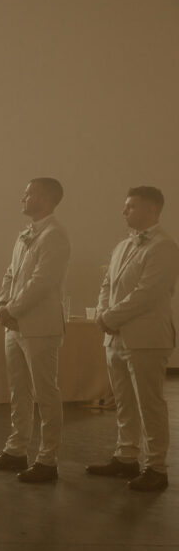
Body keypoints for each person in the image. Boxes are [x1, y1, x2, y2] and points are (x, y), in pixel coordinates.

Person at [88, 186, 179, 492]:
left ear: (152, 210)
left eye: (131, 207)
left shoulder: (164, 247)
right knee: (123, 401)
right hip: (115, 337)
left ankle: (156, 466)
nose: (124, 211)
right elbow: (106, 284)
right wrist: (101, 313)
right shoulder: (122, 245)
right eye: (125, 206)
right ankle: (126, 455)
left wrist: (109, 318)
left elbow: (148, 294)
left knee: (149, 403)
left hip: (147, 338)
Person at [0, 178, 70, 483]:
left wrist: (13, 309)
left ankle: (48, 459)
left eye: (29, 193)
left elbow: (42, 282)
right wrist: (2, 302)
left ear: (44, 198)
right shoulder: (25, 235)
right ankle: (16, 449)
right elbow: (11, 273)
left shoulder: (55, 235)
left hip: (40, 326)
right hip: (15, 325)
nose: (23, 197)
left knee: (45, 392)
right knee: (19, 391)